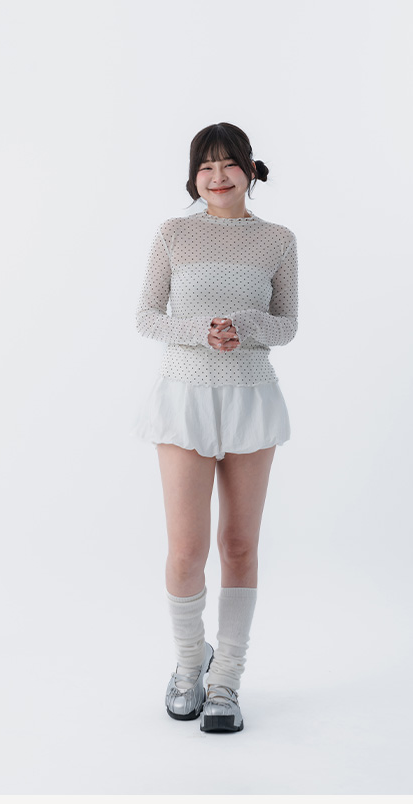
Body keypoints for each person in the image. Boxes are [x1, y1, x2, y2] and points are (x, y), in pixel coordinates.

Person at [132, 121, 299, 733]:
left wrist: (244, 327)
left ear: (250, 171)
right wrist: (201, 332)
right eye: (205, 166)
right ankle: (187, 666)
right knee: (186, 550)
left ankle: (226, 677)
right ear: (194, 177)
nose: (217, 176)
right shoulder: (174, 233)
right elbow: (146, 315)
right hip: (184, 397)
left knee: (239, 545)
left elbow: (287, 324)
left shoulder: (278, 240)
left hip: (251, 397)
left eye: (229, 164)